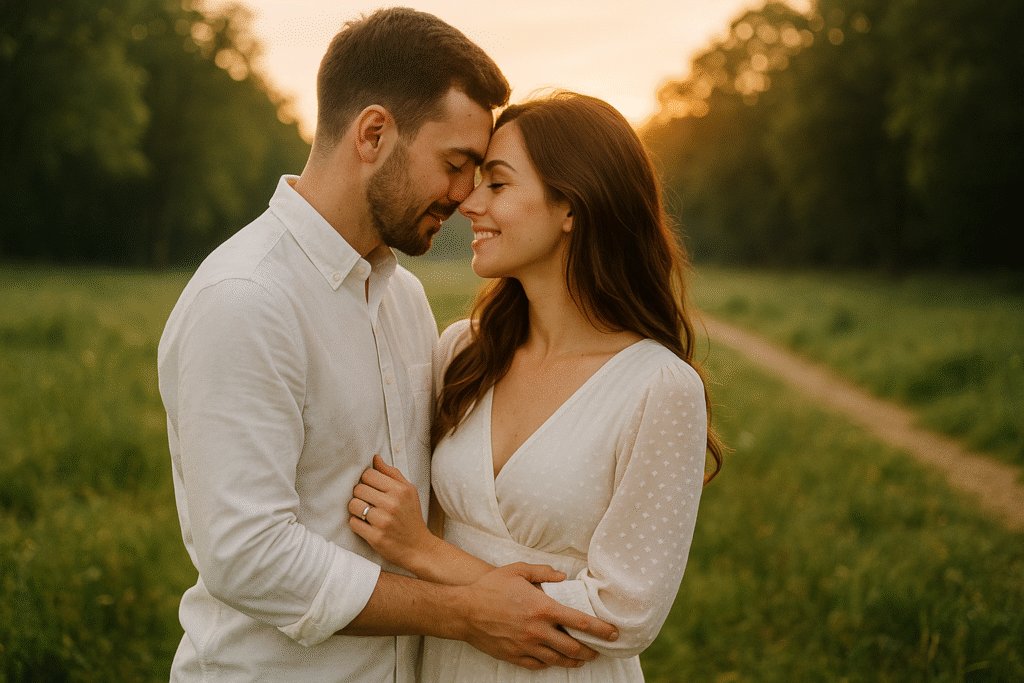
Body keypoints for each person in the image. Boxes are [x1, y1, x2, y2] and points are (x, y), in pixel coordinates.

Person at [156, 11, 617, 683]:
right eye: (456, 164)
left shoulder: (403, 300)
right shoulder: (246, 298)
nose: (465, 197)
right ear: (374, 133)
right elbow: (246, 554)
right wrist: (463, 612)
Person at [347, 91, 725, 682]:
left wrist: (422, 552)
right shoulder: (463, 352)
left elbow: (625, 616)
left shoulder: (657, 387)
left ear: (570, 207)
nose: (468, 202)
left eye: (497, 185)